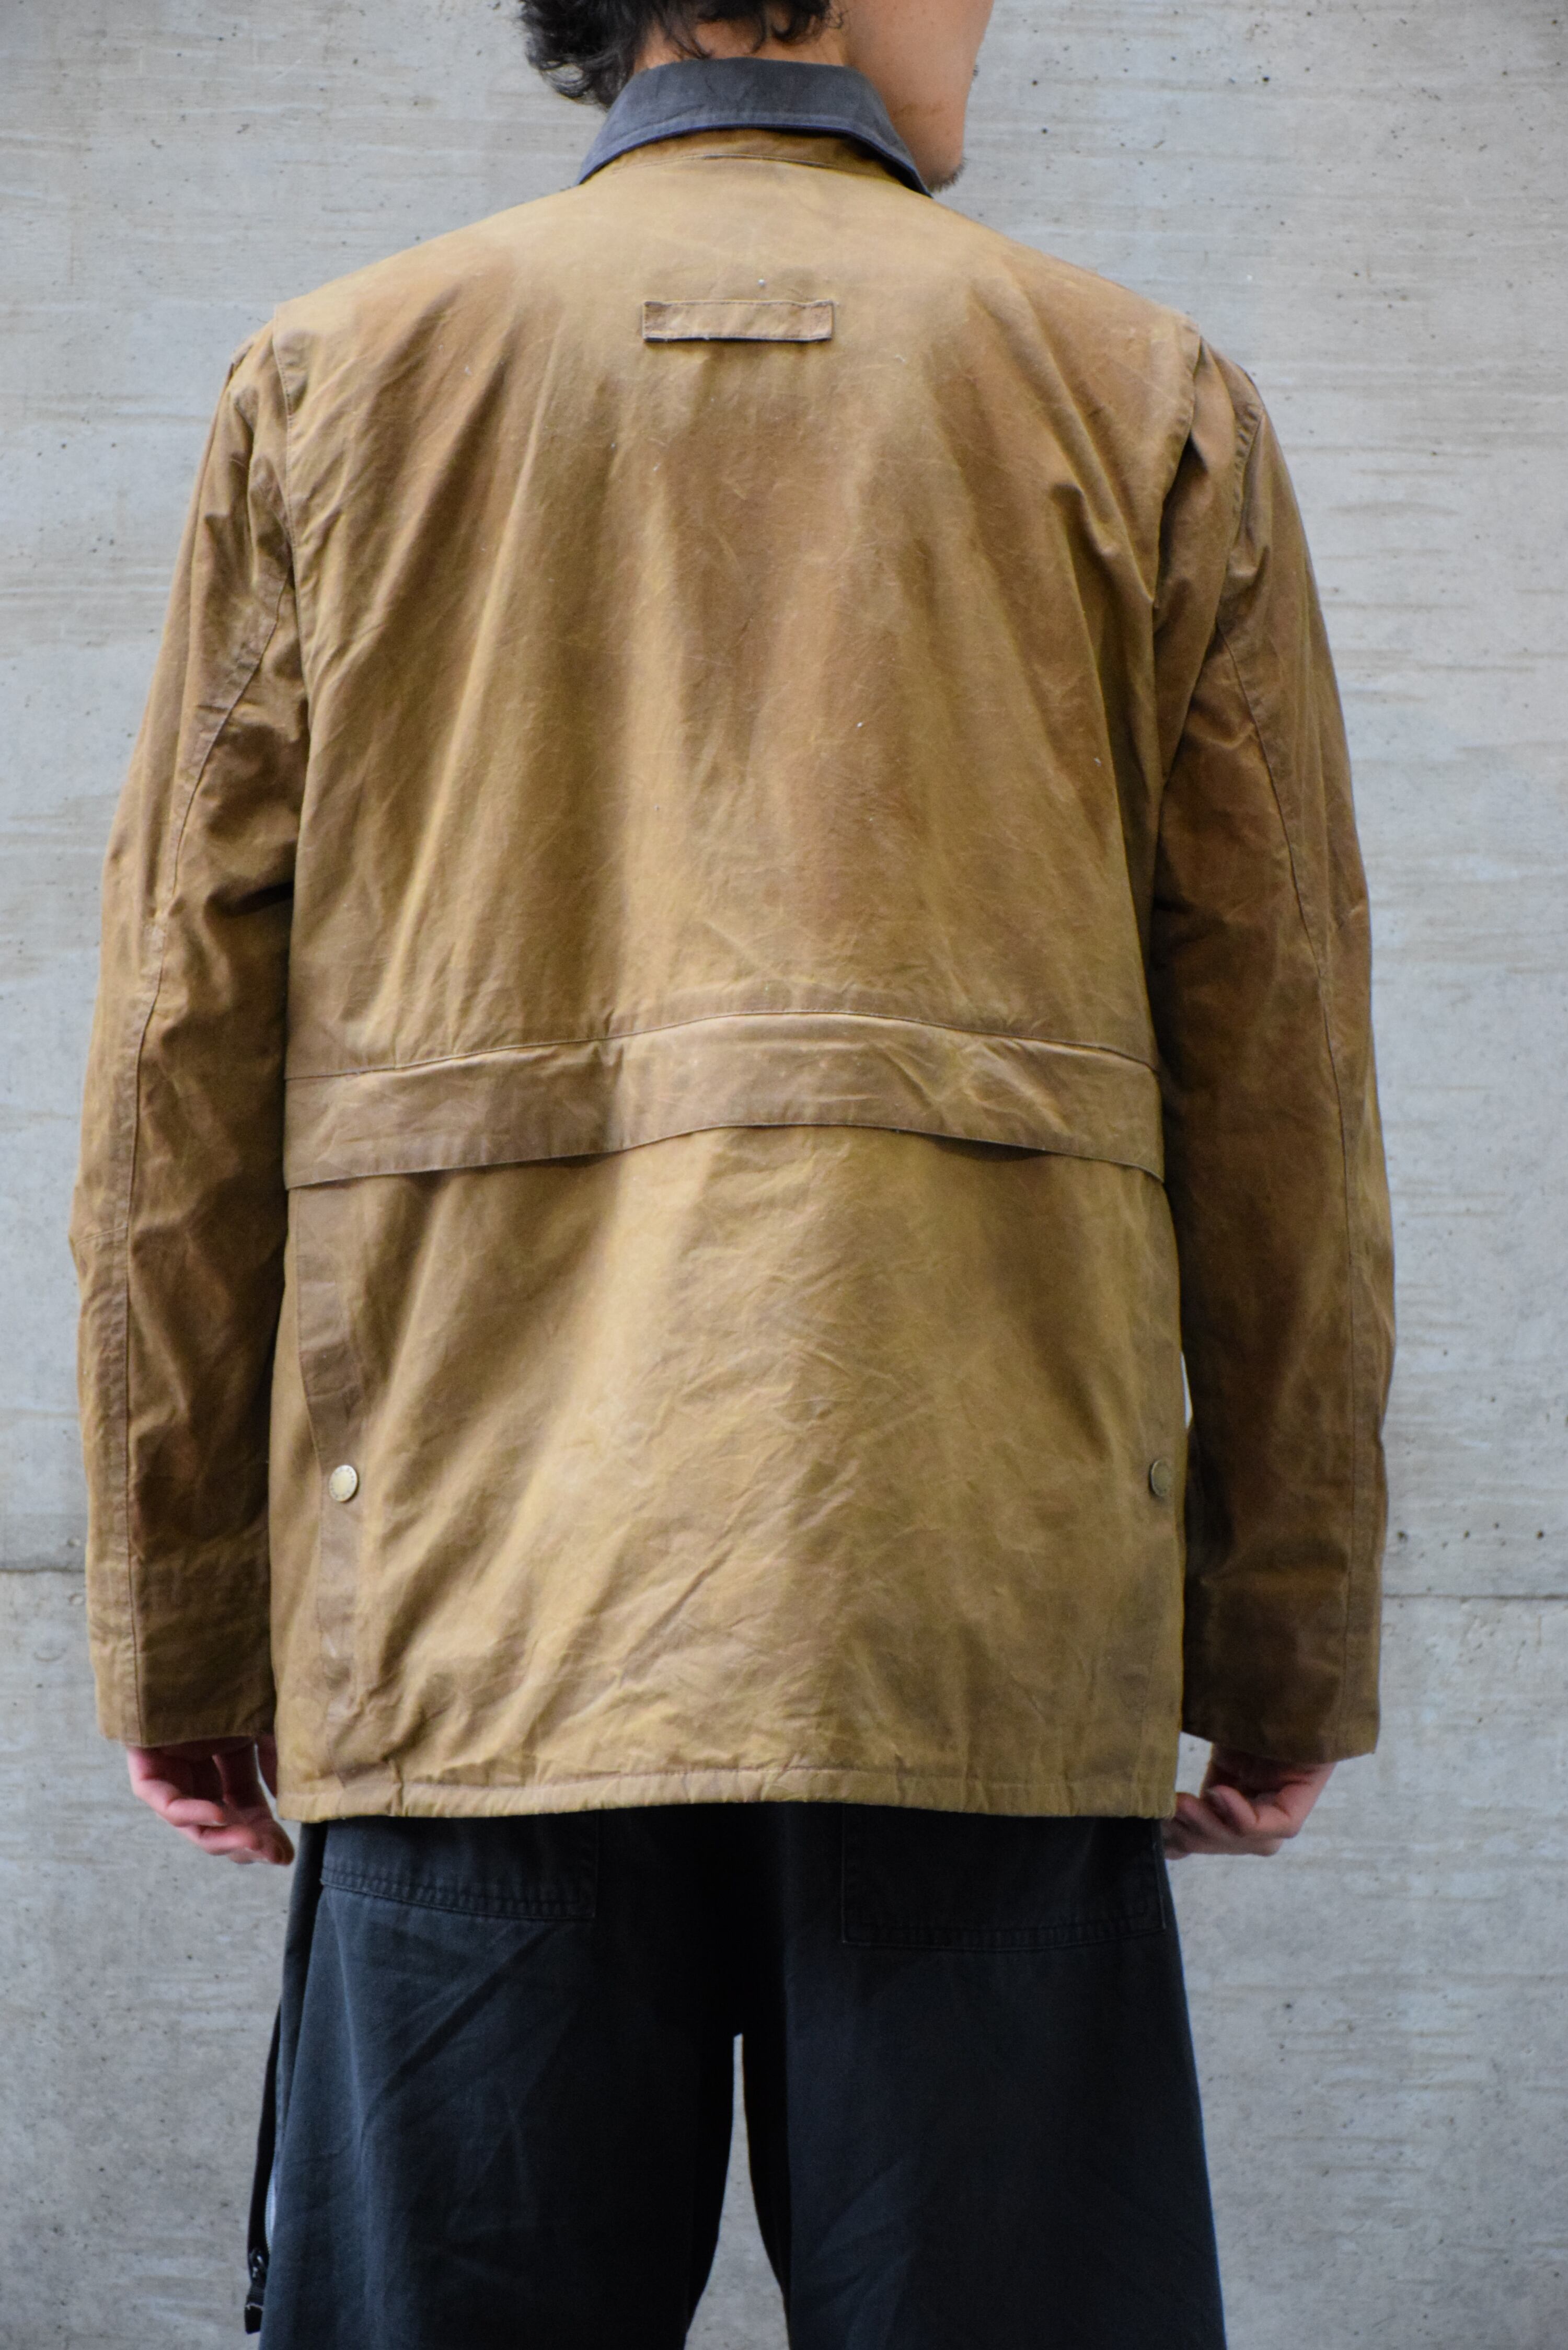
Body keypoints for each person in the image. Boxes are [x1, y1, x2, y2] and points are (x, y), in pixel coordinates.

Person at [71, 1, 1394, 2341]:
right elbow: (1277, 1070)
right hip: (971, 1615)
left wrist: (183, 1606)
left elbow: (185, 1049)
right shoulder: (1141, 393)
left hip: (475, 1613)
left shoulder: (333, 383)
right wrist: (1279, 1619)